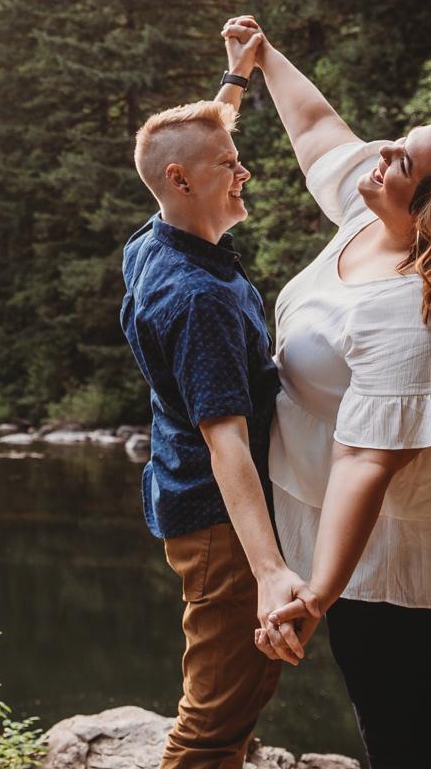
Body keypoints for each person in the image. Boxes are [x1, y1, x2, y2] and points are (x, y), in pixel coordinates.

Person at [221, 14, 431, 769]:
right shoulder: (377, 210)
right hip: (358, 509)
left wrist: (315, 594)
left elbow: (366, 462)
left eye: (402, 159)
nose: (380, 154)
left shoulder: (424, 319)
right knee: (399, 725)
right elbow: (320, 131)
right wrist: (265, 59)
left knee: (404, 731)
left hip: (412, 537)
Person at [120, 43, 310, 769]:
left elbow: (190, 144)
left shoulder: (155, 239)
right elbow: (226, 440)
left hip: (192, 503)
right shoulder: (198, 298)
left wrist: (235, 77)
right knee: (213, 725)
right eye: (230, 164)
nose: (243, 171)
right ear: (181, 180)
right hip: (221, 525)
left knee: (235, 703)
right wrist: (270, 571)